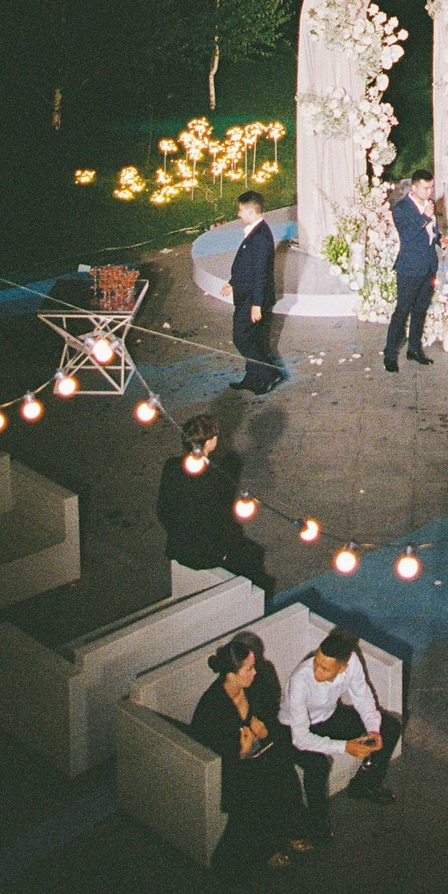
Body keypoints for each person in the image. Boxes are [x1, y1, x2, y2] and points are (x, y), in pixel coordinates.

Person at [190, 632, 307, 881]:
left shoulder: (255, 688)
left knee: (284, 770)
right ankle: (266, 850)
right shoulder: (213, 705)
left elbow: (270, 718)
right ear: (231, 674)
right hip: (231, 768)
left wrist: (264, 734)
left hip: (259, 754)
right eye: (249, 669)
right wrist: (240, 752)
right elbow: (208, 749)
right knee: (257, 789)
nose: (255, 672)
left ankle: (293, 831)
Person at [284, 627, 401, 838]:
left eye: (324, 669)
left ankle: (365, 786)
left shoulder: (352, 663)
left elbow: (363, 699)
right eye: (316, 662)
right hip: (290, 729)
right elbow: (300, 738)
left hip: (328, 716)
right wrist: (345, 747)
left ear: (342, 667)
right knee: (317, 764)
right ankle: (317, 822)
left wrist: (373, 731)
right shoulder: (300, 680)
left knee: (390, 727)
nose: (316, 672)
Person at [157, 413, 272, 593]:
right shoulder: (216, 474)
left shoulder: (171, 465)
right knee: (253, 559)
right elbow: (216, 518)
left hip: (178, 545)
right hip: (206, 553)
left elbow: (163, 510)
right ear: (209, 442)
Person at [229, 188, 284, 392]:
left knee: (241, 338)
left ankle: (270, 374)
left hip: (252, 298)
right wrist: (232, 282)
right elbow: (247, 264)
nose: (238, 214)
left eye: (241, 210)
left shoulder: (260, 237)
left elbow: (261, 273)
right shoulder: (257, 231)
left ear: (251, 211)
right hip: (247, 295)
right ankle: (253, 376)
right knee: (251, 338)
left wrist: (257, 304)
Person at [383, 173, 439, 371]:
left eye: (431, 187)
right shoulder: (401, 208)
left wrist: (440, 239)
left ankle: (414, 349)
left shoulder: (430, 204)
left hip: (429, 265)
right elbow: (407, 234)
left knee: (420, 309)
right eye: (425, 188)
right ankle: (390, 354)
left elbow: (431, 231)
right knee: (402, 311)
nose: (429, 192)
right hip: (410, 268)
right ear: (413, 188)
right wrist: (425, 217)